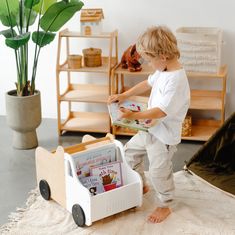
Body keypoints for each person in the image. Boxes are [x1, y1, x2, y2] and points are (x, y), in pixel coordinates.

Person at [108, 26, 190, 223]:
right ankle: (141, 184)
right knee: (129, 154)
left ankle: (165, 204)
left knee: (159, 171)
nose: (149, 64)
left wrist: (134, 115)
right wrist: (123, 95)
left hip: (164, 136)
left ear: (162, 56)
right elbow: (147, 83)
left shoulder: (177, 80)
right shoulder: (163, 70)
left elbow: (161, 111)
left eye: (150, 60)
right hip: (150, 128)